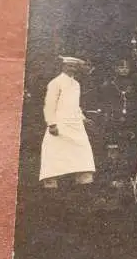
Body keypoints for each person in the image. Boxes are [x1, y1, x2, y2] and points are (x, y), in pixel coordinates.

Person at [40, 56, 96, 201]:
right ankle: (52, 199)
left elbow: (74, 105)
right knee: (54, 162)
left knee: (83, 161)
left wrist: (83, 118)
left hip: (76, 127)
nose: (72, 69)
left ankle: (82, 199)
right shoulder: (55, 83)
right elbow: (49, 105)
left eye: (74, 67)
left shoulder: (76, 84)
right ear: (63, 67)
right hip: (59, 127)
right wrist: (51, 124)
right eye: (69, 66)